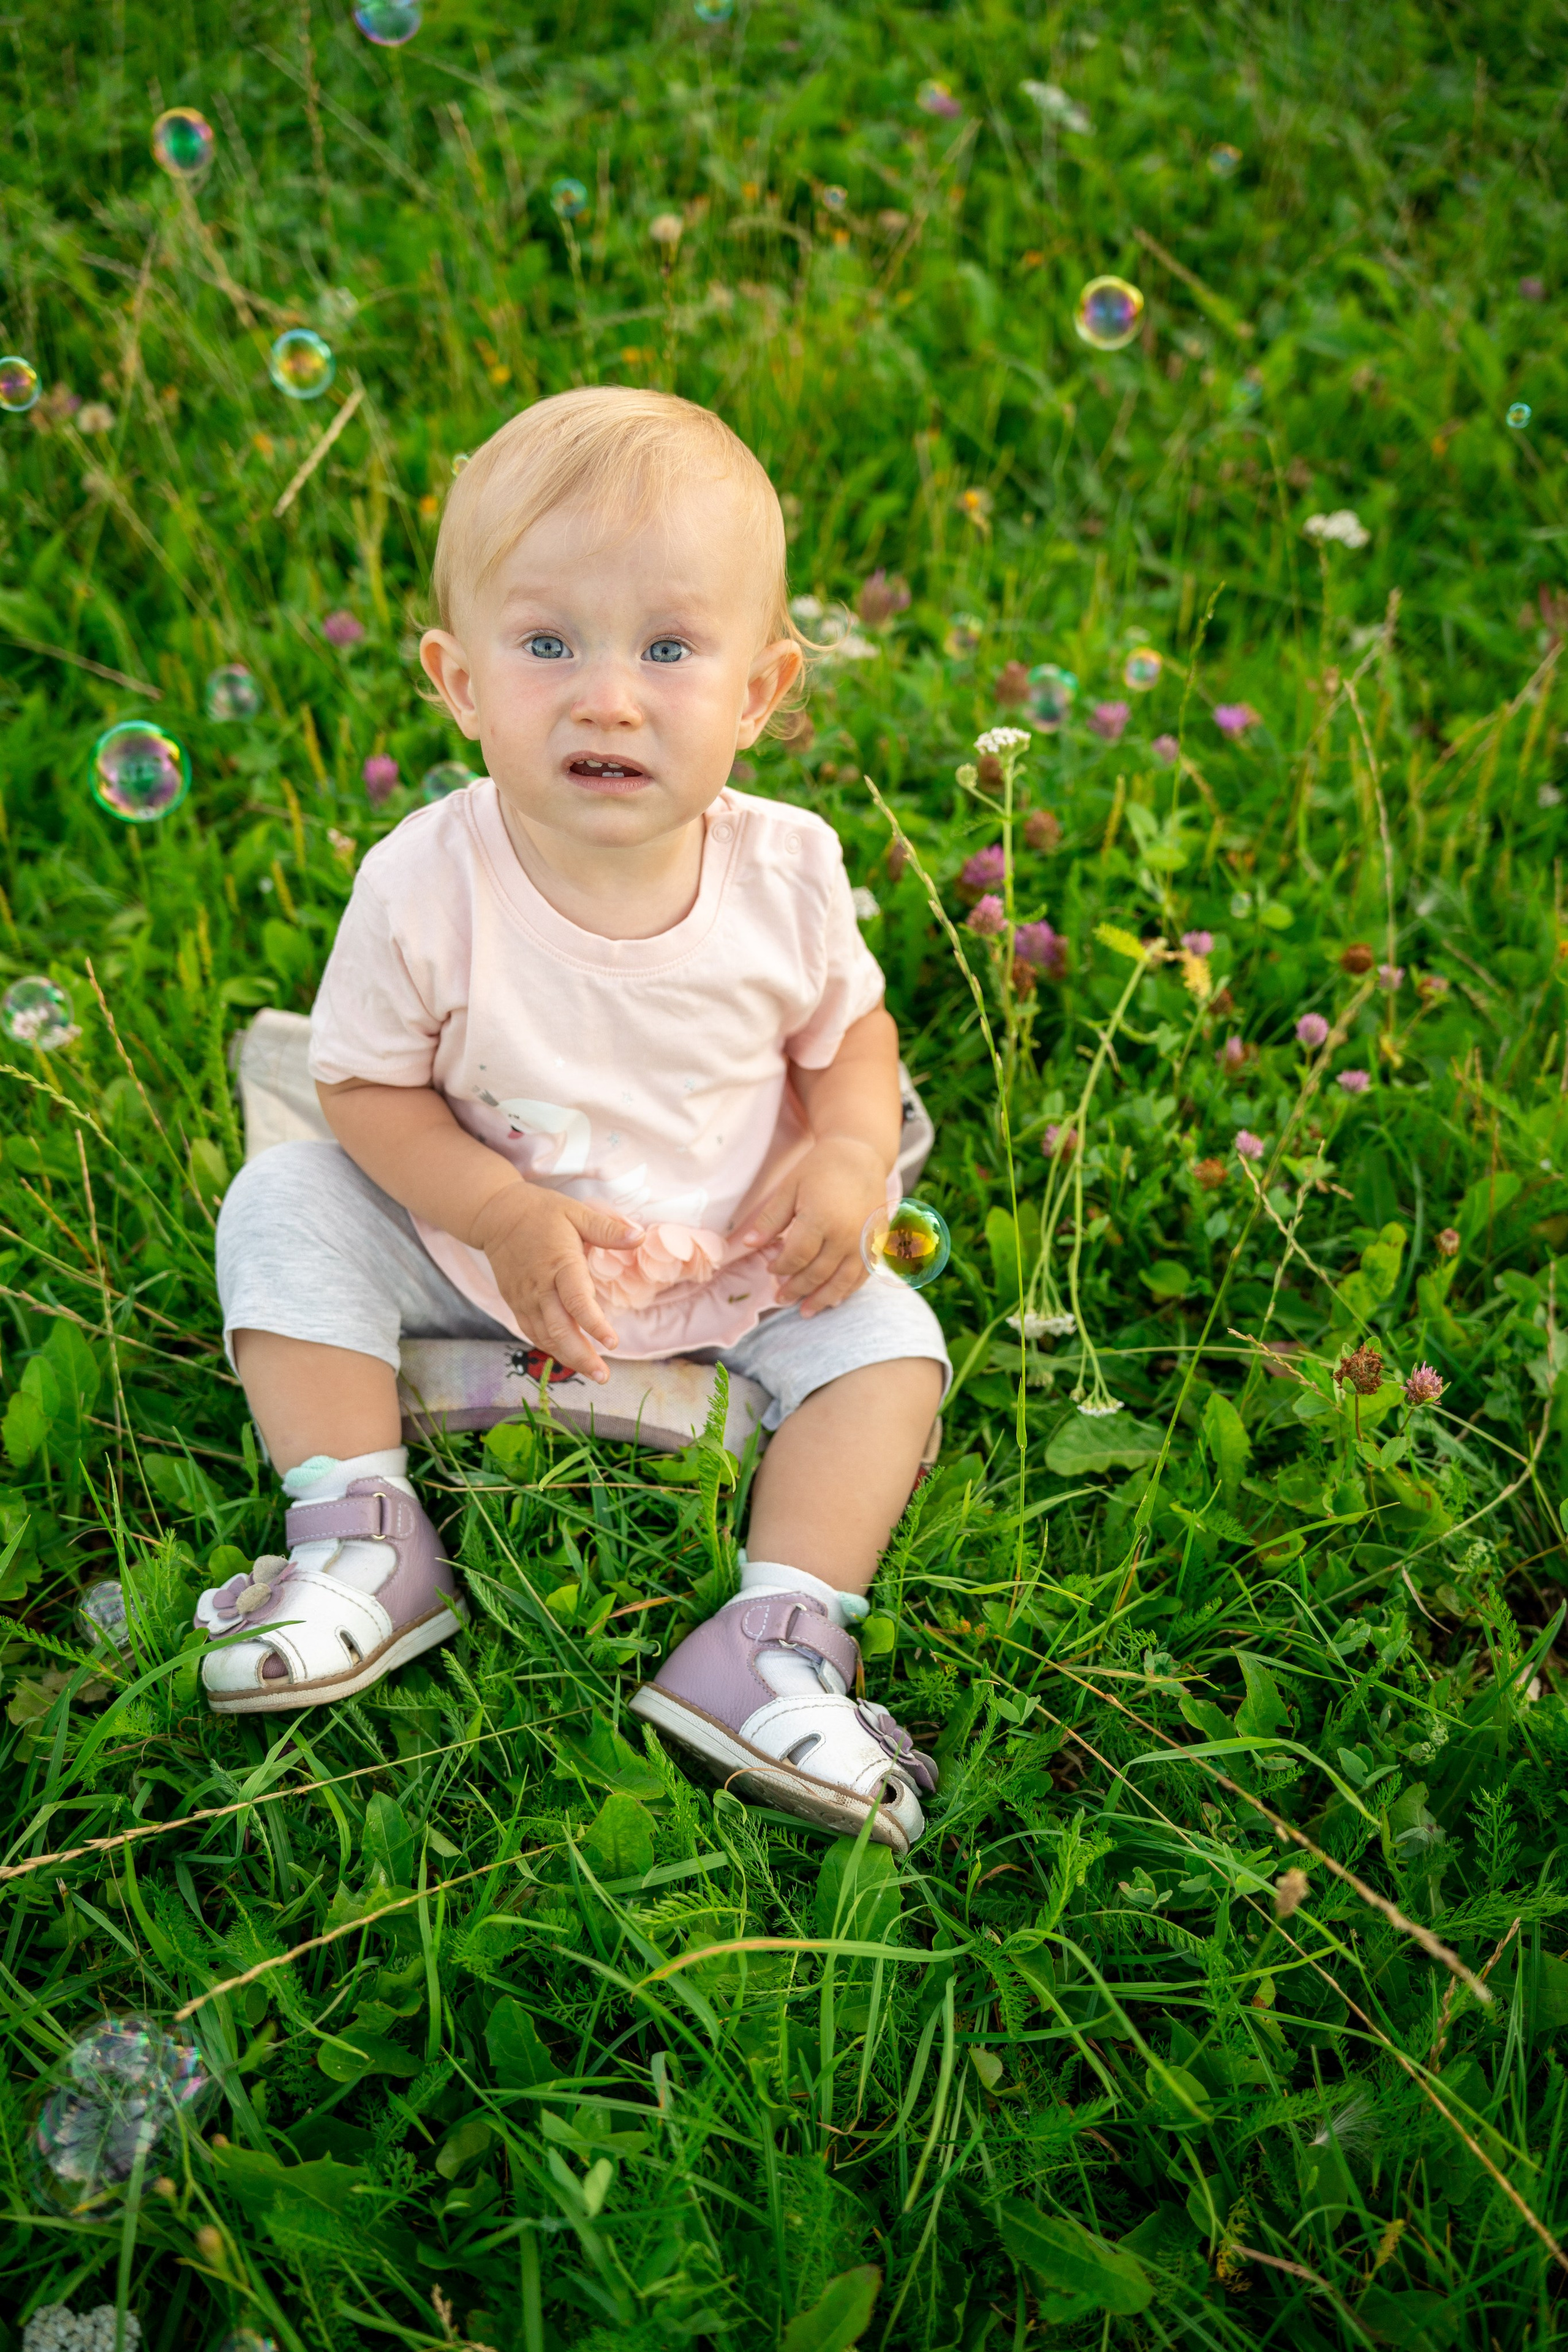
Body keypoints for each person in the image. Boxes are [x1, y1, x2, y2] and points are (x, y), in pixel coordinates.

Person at [200, 386, 948, 1852]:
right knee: (283, 1203)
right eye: (547, 644)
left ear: (758, 693)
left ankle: (778, 1636)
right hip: (473, 1244)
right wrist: (489, 1209)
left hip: (728, 1259)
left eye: (669, 649)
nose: (607, 696)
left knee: (890, 1347)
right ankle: (358, 1533)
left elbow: (851, 1037)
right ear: (460, 680)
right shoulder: (425, 884)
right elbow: (363, 1088)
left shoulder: (785, 871)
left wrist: (849, 1153)